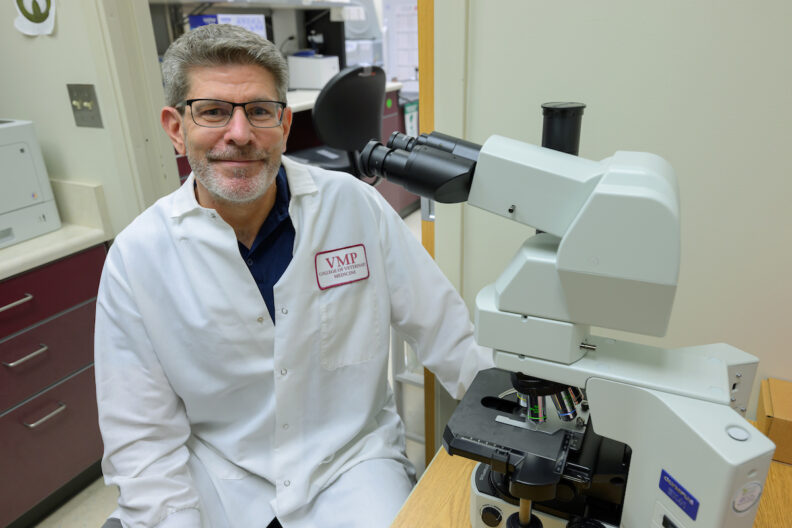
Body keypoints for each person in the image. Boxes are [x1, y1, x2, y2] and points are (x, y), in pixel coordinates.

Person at [95, 23, 492, 528]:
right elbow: (142, 440)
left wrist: (521, 418)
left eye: (259, 111)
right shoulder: (137, 259)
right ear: (177, 128)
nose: (239, 134)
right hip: (220, 479)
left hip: (351, 466)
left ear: (283, 126)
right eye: (213, 111)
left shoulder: (354, 208)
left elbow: (449, 335)